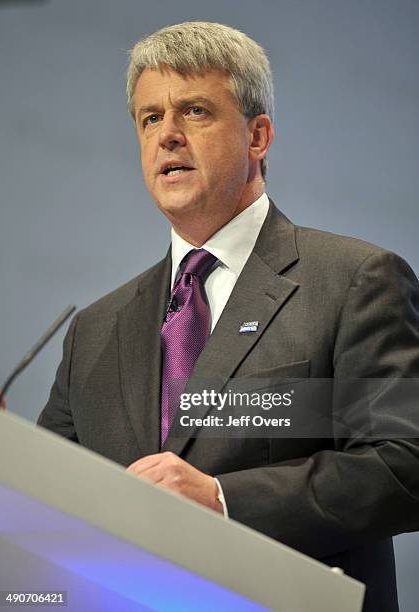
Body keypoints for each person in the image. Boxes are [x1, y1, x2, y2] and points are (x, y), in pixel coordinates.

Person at [37, 22, 419, 612]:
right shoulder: (94, 330)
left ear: (258, 136)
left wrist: (221, 498)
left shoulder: (353, 281)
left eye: (193, 111)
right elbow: (46, 509)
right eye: (149, 118)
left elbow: (405, 467)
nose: (167, 135)